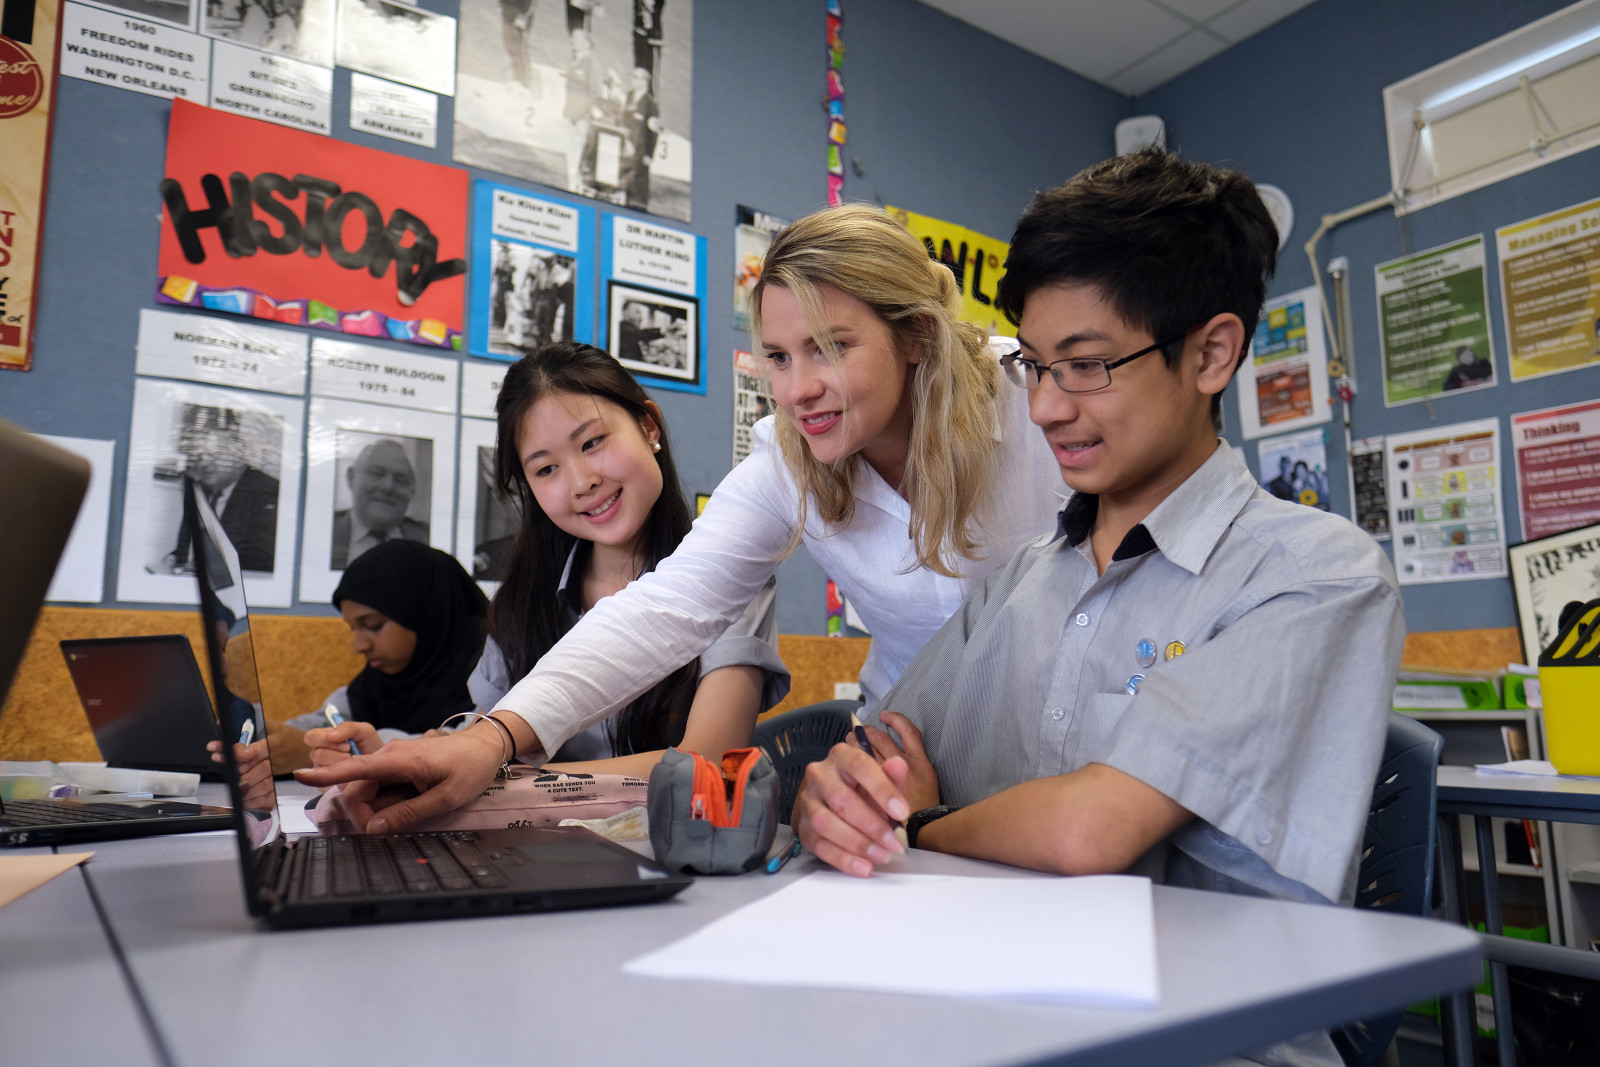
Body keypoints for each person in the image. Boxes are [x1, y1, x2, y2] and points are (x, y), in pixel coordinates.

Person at [790, 149, 1402, 1065]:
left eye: (1084, 366)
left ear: (1211, 353)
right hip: (983, 1008)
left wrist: (920, 823)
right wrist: (837, 800)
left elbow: (1089, 831)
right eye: (1034, 366)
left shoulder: (1314, 577)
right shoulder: (1016, 583)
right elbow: (876, 762)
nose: (1043, 408)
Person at [297, 204, 1063, 832]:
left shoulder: (1040, 403)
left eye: (830, 348)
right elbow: (663, 606)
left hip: (1055, 751)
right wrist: (495, 738)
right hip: (903, 761)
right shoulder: (787, 458)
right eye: (778, 356)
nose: (798, 389)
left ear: (916, 334)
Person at [304, 341, 789, 782]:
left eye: (592, 442)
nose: (581, 482)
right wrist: (399, 757)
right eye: (546, 468)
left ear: (649, 426)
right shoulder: (520, 602)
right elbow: (484, 740)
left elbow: (706, 764)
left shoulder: (733, 575)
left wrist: (512, 782)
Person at [263, 539, 487, 775]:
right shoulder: (375, 685)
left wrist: (328, 752)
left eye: (373, 625)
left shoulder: (495, 674)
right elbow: (327, 721)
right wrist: (272, 736)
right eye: (352, 628)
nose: (359, 646)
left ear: (425, 612)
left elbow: (471, 744)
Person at [166, 406, 279, 574]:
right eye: (198, 456)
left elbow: (263, 560)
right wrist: (173, 559)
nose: (203, 463)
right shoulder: (201, 490)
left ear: (238, 456)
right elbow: (187, 550)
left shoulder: (267, 491)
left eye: (213, 454)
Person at [329, 438, 429, 569]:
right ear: (351, 477)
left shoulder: (427, 538)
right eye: (377, 474)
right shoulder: (323, 530)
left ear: (412, 492)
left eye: (401, 480)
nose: (388, 487)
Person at [620, 66, 659, 209]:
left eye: (634, 77)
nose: (631, 80)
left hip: (640, 152)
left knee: (638, 184)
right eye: (631, 76)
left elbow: (653, 132)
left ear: (644, 82)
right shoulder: (629, 97)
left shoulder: (650, 104)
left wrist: (649, 154)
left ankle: (639, 206)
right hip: (626, 148)